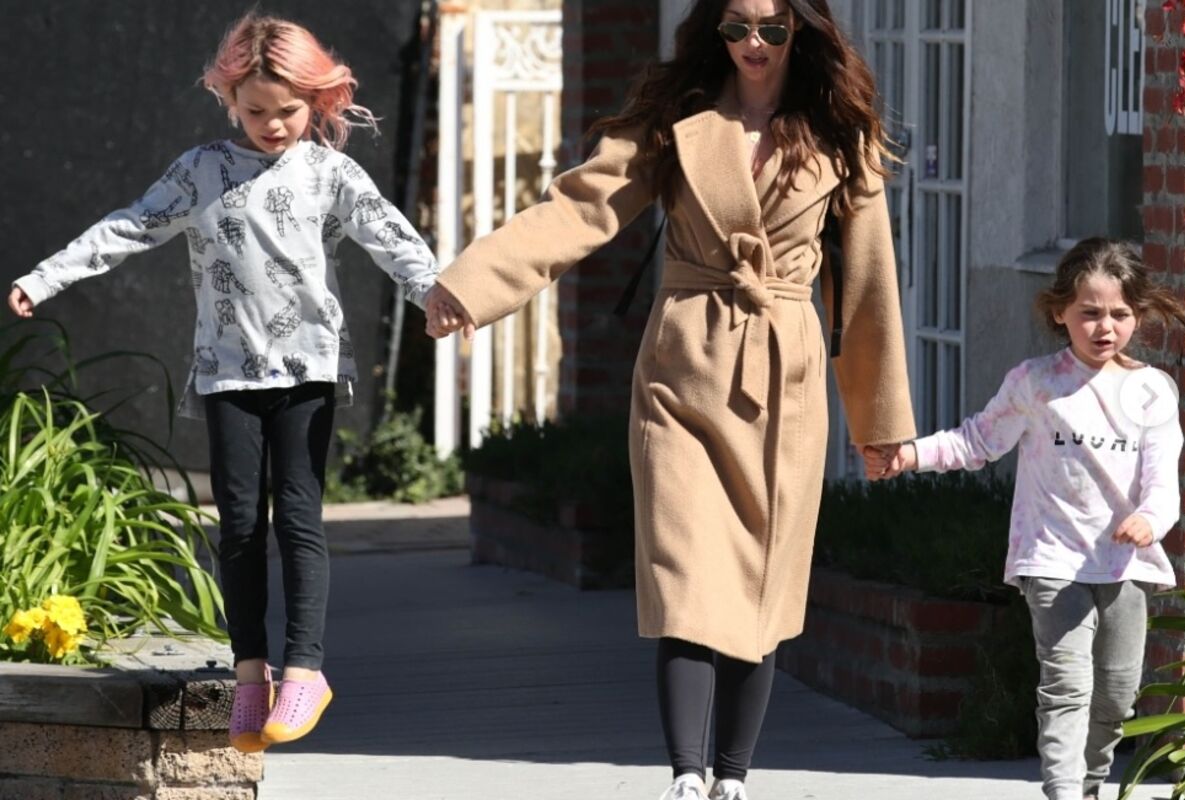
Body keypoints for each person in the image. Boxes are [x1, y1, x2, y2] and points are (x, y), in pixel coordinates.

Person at [426, 1, 914, 797]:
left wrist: (879, 422)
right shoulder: (674, 116)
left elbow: (866, 287)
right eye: (736, 27)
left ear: (801, 31)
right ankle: (686, 776)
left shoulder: (839, 134)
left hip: (781, 377)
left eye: (772, 29)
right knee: (683, 573)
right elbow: (580, 208)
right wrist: (473, 287)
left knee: (761, 585)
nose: (753, 44)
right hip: (682, 370)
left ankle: (733, 778)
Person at [8, 13, 441, 753]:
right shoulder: (201, 170)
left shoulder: (329, 172)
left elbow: (391, 236)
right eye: (256, 110)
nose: (273, 126)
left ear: (317, 102)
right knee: (239, 525)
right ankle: (250, 674)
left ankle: (305, 669)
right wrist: (46, 277)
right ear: (229, 100)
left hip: (306, 369)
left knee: (298, 515)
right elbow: (131, 226)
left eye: (289, 111)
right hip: (227, 372)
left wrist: (437, 294)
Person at [864, 237, 1185, 800]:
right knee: (1066, 682)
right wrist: (910, 455)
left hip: (1124, 565)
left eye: (1119, 314)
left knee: (1116, 694)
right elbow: (977, 440)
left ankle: (1089, 783)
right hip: (1051, 558)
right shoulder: (1035, 382)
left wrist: (1149, 520)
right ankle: (1063, 792)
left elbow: (1164, 483)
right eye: (1089, 313)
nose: (1104, 327)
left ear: (1138, 315)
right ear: (1059, 311)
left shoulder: (1152, 391)